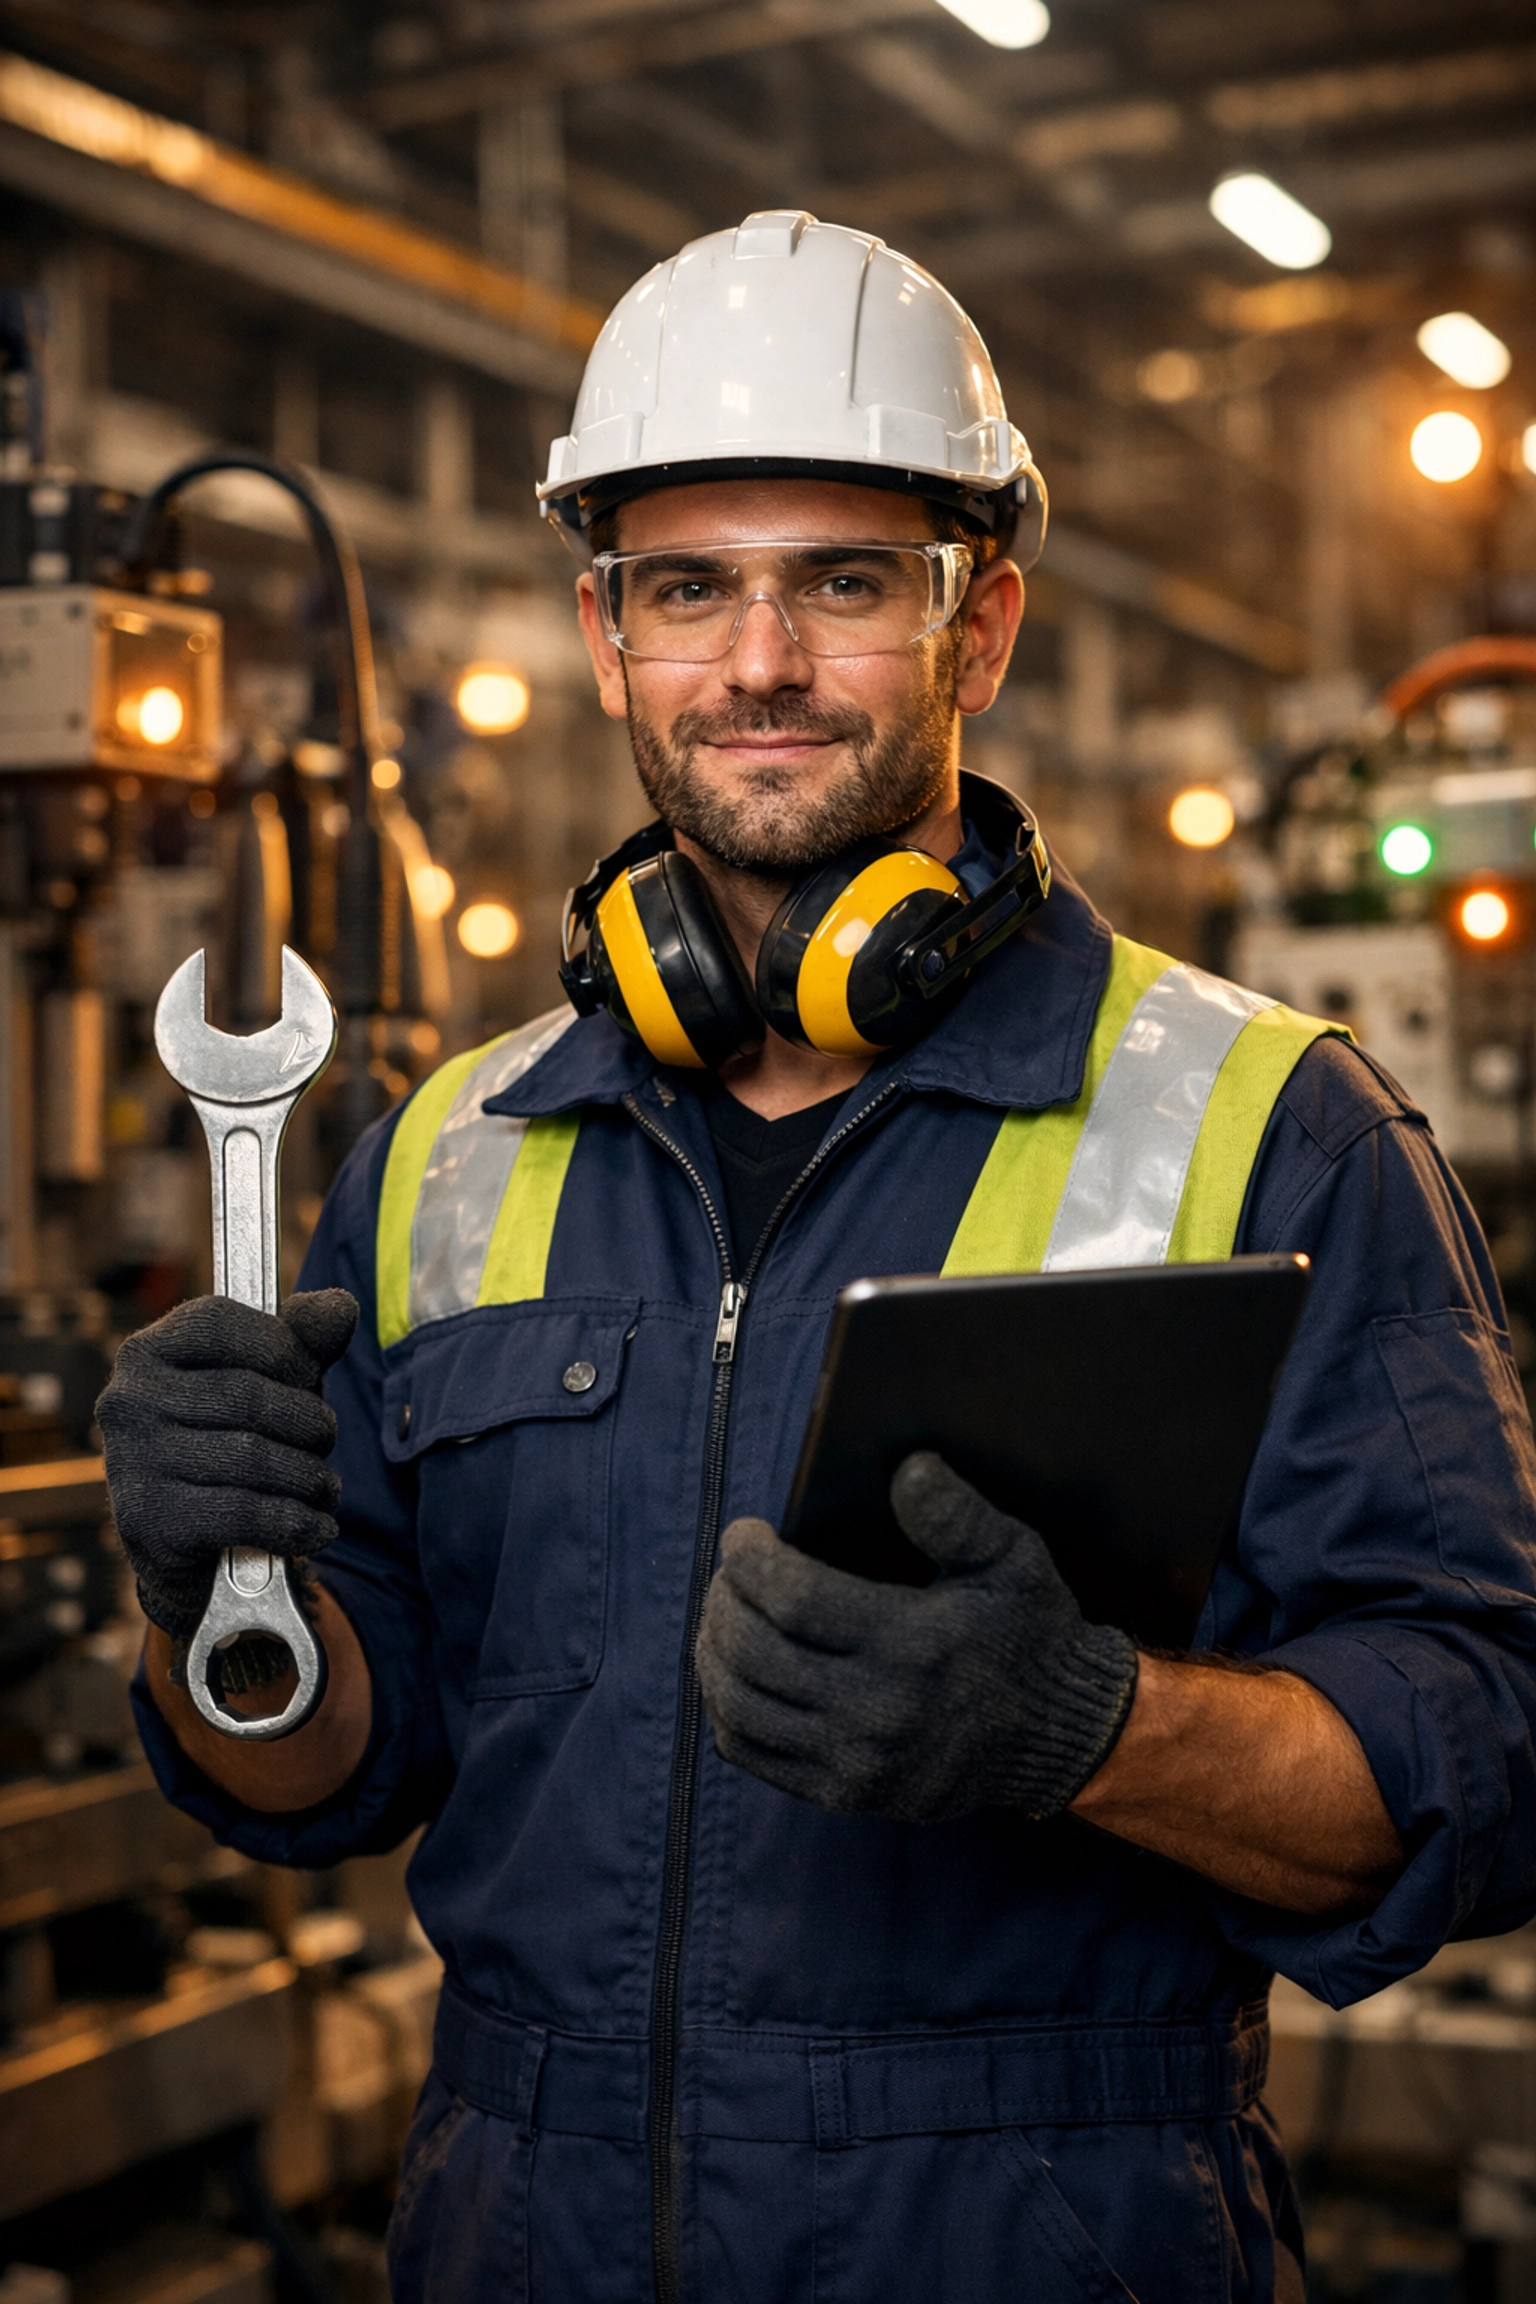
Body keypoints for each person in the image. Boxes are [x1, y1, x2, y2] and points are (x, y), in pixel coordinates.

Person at [99, 214, 1536, 2304]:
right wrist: (201, 1600)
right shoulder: (441, 1156)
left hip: (1045, 2240)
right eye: (689, 588)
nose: (758, 662)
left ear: (989, 625)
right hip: (524, 2233)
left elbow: (1482, 1755)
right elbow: (326, 1774)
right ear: (606, 638)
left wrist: (1092, 1730)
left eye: (845, 583)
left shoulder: (1270, 1128)